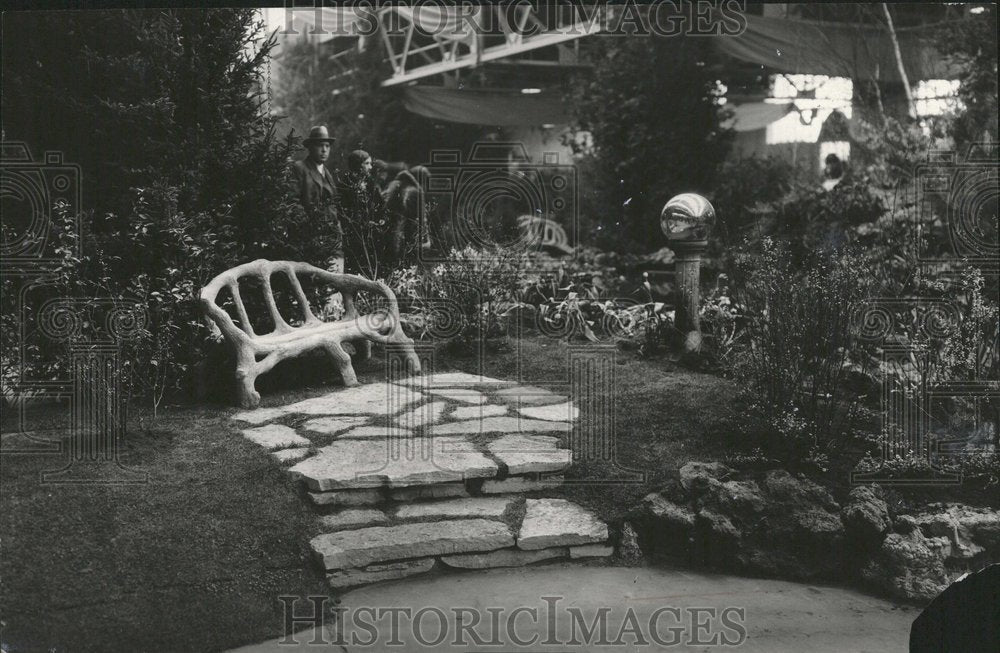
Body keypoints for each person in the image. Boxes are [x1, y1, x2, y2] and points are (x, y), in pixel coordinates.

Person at [290, 125, 343, 273]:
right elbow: (292, 202)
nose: (324, 150)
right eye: (320, 145)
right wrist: (308, 226)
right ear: (311, 147)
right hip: (308, 239)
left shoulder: (327, 173)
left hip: (330, 240)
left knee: (332, 283)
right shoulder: (299, 168)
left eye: (327, 146)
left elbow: (333, 205)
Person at [383, 165, 432, 264]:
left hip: (386, 230)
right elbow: (421, 219)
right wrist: (425, 239)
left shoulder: (393, 184)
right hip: (404, 233)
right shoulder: (416, 192)